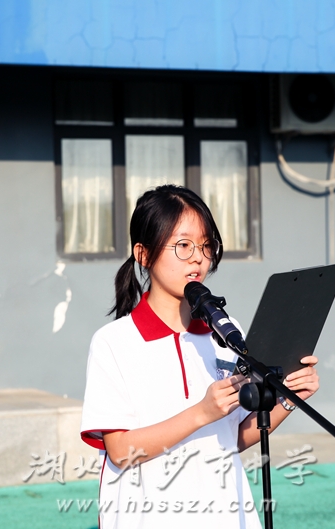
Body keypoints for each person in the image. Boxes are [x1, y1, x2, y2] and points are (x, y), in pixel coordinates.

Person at [80, 185, 320, 529]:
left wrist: (288, 398)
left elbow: (233, 437)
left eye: (206, 246)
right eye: (183, 245)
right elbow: (120, 451)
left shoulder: (226, 335)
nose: (198, 258)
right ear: (143, 254)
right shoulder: (114, 342)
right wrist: (202, 412)